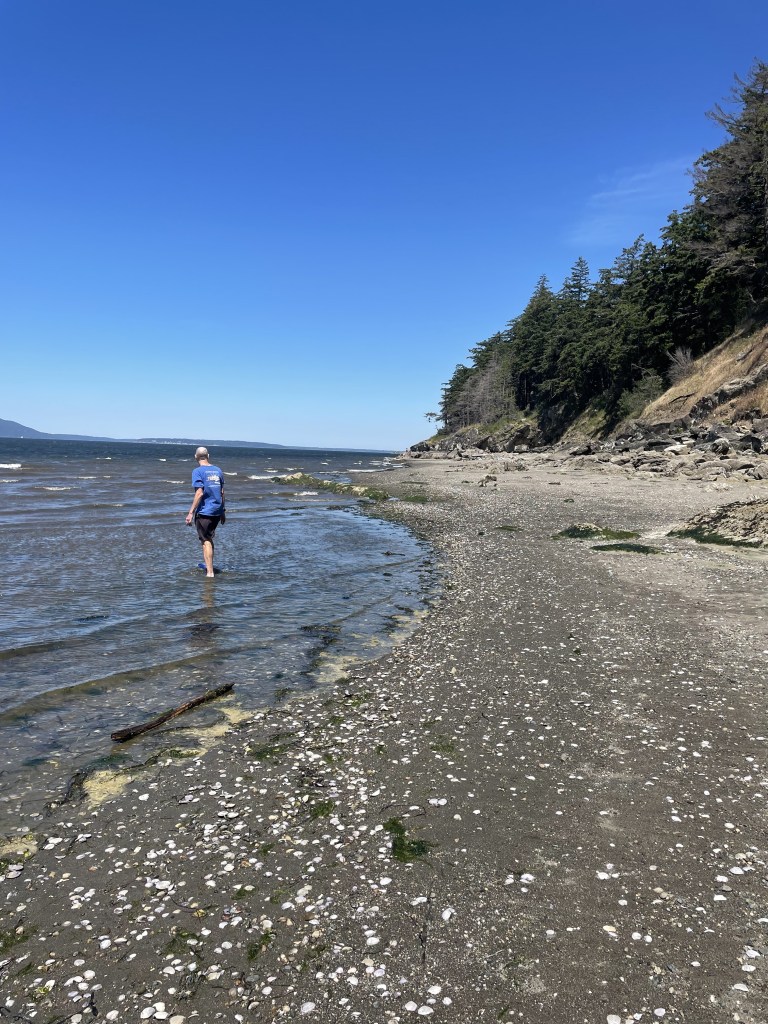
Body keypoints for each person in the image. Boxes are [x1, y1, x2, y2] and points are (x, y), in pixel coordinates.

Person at [185, 446, 225, 577]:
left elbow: (199, 493)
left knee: (205, 540)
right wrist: (223, 511)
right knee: (209, 537)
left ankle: (210, 572)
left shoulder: (197, 471)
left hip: (205, 512)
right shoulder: (218, 470)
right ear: (208, 456)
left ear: (196, 457)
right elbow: (222, 492)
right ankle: (209, 565)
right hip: (217, 511)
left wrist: (191, 512)